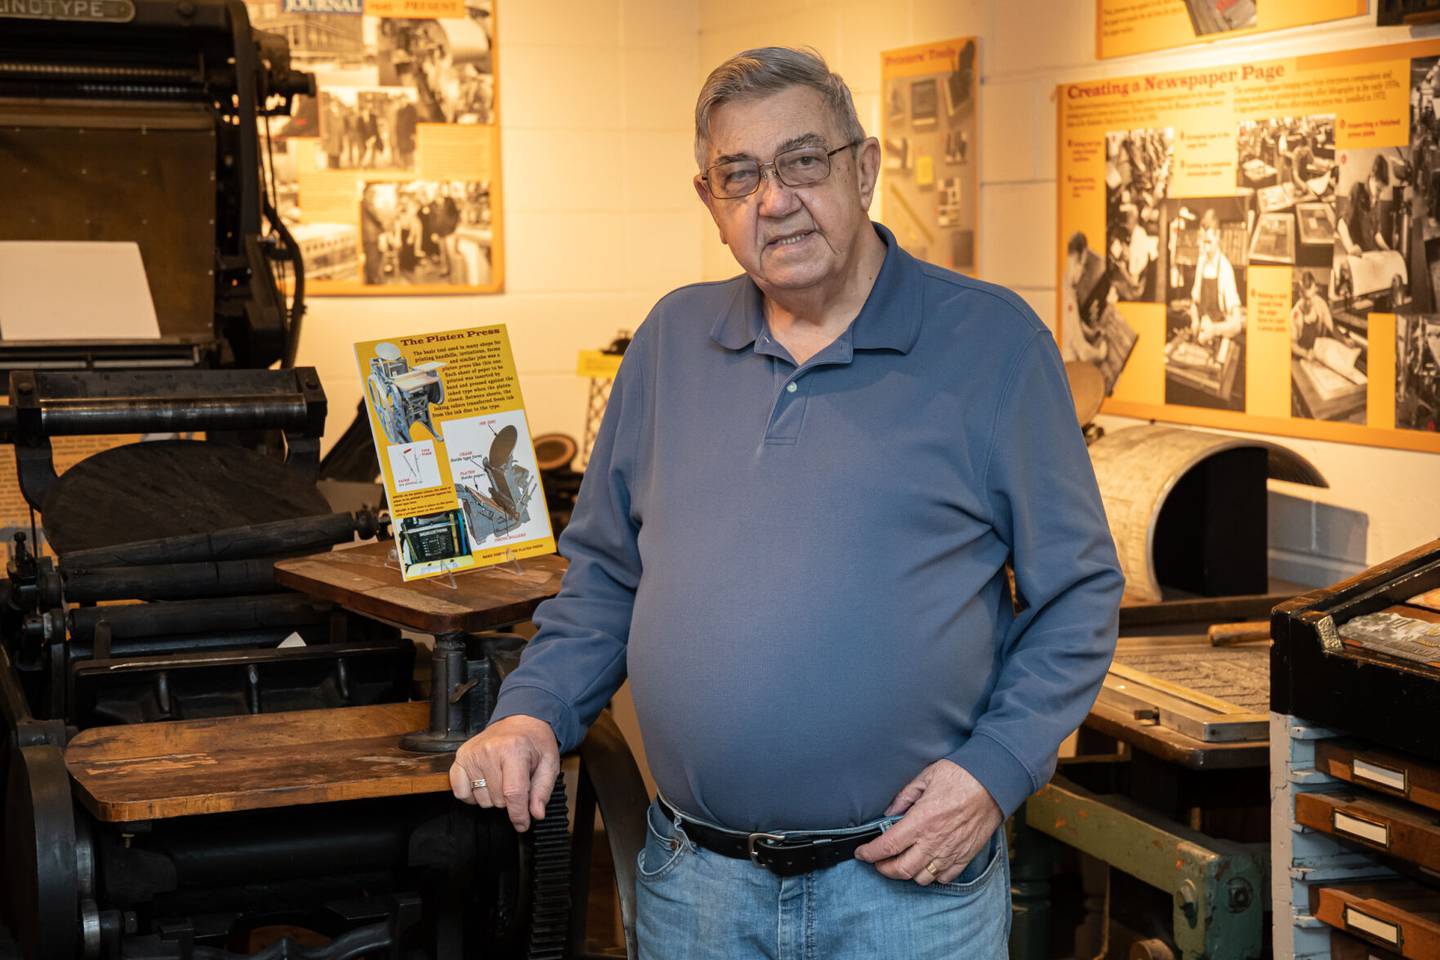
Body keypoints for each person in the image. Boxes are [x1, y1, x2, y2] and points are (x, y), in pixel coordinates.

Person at [450, 47, 1123, 959]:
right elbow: (607, 577)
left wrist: (992, 774)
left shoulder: (992, 345)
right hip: (696, 886)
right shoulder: (669, 342)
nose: (775, 198)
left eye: (803, 161)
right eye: (740, 175)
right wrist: (533, 709)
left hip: (907, 890)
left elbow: (1077, 593)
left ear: (866, 168)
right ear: (712, 203)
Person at [1189, 208, 1244, 347]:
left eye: (1208, 242)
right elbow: (1194, 302)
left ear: (1218, 237)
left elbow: (1237, 324)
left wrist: (1214, 330)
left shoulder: (1225, 269)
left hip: (1220, 340)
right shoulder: (1201, 262)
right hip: (1201, 337)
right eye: (1202, 242)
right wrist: (1195, 320)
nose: (1204, 248)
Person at [1290, 272, 1338, 360]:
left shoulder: (1321, 304)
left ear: (1315, 290)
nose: (1309, 303)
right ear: (1300, 293)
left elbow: (1331, 327)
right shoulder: (1295, 314)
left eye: (1311, 297)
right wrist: (1305, 353)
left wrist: (1344, 341)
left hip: (1318, 355)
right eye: (1306, 298)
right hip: (1300, 358)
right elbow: (1292, 344)